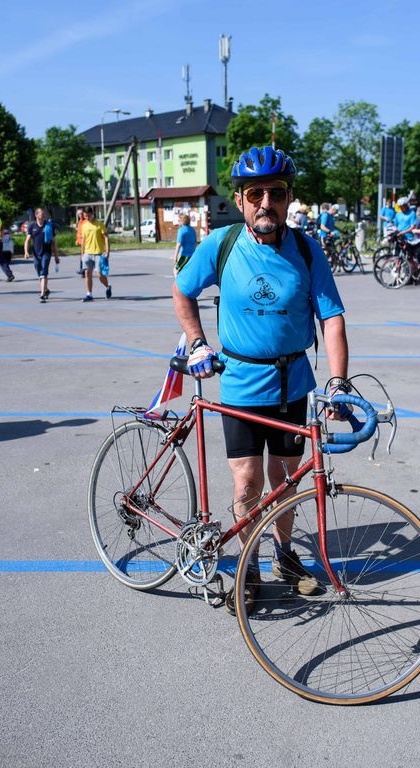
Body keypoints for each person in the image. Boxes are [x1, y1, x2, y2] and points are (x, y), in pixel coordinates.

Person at [172, 145, 349, 614]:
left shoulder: (307, 250)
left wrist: (338, 383)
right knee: (247, 481)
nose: (266, 202)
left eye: (276, 192)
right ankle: (248, 565)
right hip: (240, 384)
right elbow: (182, 291)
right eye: (255, 194)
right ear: (240, 199)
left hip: (292, 384)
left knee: (286, 479)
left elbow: (332, 319)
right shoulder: (222, 244)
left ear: (289, 198)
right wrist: (197, 343)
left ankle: (284, 557)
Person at [24, 208, 59, 302]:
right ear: (36, 215)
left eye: (44, 214)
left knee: (44, 273)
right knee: (40, 274)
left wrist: (56, 256)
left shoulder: (49, 226)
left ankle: (42, 294)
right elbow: (27, 240)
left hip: (46, 253)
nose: (43, 215)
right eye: (41, 214)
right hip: (36, 254)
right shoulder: (32, 226)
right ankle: (46, 290)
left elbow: (54, 242)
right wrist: (26, 252)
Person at [80, 206, 112, 301]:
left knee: (100, 275)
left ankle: (107, 286)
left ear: (92, 214)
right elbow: (83, 240)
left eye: (89, 216)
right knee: (87, 273)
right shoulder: (84, 226)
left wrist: (107, 251)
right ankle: (89, 294)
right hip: (87, 253)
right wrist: (82, 254)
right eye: (85, 216)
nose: (87, 218)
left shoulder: (99, 225)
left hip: (99, 253)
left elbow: (106, 238)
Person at [76, 209, 86, 275]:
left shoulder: (85, 221)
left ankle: (83, 270)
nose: (81, 215)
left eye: (81, 213)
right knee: (82, 256)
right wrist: (77, 240)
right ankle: (83, 270)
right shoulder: (80, 222)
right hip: (81, 242)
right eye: (79, 214)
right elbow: (79, 232)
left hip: (85, 241)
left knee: (83, 256)